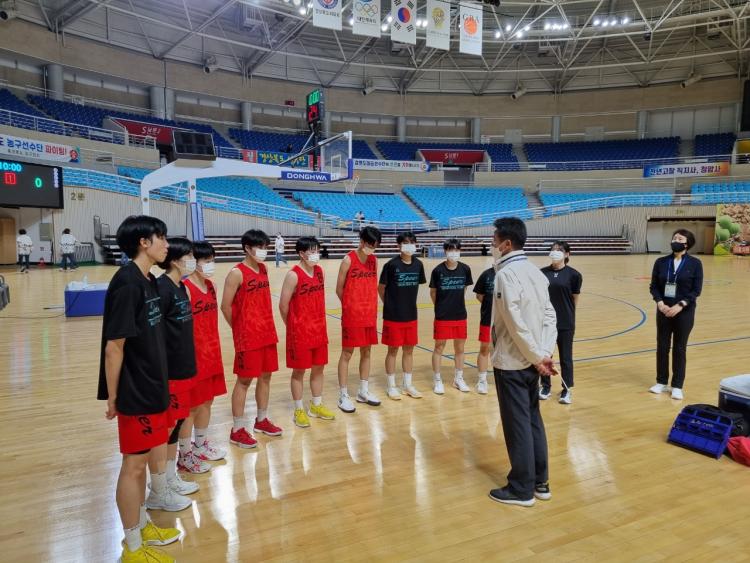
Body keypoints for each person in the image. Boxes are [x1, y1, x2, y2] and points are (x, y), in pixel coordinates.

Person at [97, 215, 181, 563]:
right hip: (136, 390)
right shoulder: (127, 283)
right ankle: (132, 548)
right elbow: (114, 347)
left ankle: (142, 524)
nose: (167, 245)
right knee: (133, 466)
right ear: (144, 242)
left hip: (153, 384)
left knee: (144, 459)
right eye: (161, 238)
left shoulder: (148, 280)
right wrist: (114, 397)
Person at [489, 217, 558, 507]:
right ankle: (540, 482)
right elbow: (550, 316)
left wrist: (537, 357)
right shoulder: (536, 272)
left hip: (512, 362)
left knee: (517, 424)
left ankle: (521, 489)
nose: (492, 244)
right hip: (534, 359)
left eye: (494, 240)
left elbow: (514, 323)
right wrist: (543, 353)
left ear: (506, 244)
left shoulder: (506, 275)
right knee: (532, 420)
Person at [221, 230, 283, 449]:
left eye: (266, 247)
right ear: (247, 248)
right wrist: (240, 329)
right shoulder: (236, 273)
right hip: (248, 337)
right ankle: (237, 429)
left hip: (267, 333)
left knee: (266, 377)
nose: (264, 251)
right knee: (244, 381)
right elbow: (225, 306)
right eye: (259, 247)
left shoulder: (263, 268)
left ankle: (261, 420)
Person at [148, 237, 198, 509]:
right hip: (170, 371)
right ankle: (158, 489)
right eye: (189, 256)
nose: (193, 260)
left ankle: (169, 477)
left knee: (177, 424)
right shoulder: (162, 288)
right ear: (176, 260)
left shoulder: (181, 287)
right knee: (165, 429)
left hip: (184, 366)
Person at [278, 236, 336, 427]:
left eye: (317, 250)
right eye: (312, 251)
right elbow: (283, 305)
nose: (316, 254)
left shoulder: (320, 271)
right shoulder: (293, 275)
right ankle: (299, 410)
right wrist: (292, 326)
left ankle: (316, 405)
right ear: (301, 254)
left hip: (319, 330)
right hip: (300, 333)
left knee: (319, 368)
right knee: (299, 371)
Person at [182, 241, 228, 466]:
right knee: (191, 406)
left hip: (212, 352)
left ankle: (200, 445)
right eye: (206, 261)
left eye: (212, 260)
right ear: (194, 262)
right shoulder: (185, 288)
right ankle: (184, 453)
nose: (211, 265)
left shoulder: (212, 286)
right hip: (193, 355)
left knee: (207, 401)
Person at [649, 229, 703, 401]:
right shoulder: (661, 262)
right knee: (662, 347)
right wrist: (660, 303)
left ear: (687, 244)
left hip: (684, 312)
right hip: (663, 310)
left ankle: (677, 385)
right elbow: (654, 286)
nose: (675, 241)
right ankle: (661, 381)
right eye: (674, 238)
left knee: (679, 348)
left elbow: (696, 290)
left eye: (679, 239)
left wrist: (680, 305)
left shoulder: (695, 264)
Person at [336, 226, 382, 413]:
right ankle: (343, 395)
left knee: (367, 351)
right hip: (352, 316)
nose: (372, 248)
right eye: (370, 244)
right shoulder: (348, 259)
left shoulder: (374, 260)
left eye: (375, 245)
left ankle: (363, 391)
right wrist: (350, 307)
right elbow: (339, 288)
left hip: (369, 315)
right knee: (347, 353)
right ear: (361, 241)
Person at [379, 231, 426, 400]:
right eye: (406, 242)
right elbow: (381, 288)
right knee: (392, 350)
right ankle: (391, 386)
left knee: (409, 350)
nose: (409, 245)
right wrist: (390, 304)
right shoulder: (391, 265)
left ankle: (407, 385)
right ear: (398, 245)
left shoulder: (418, 265)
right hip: (393, 316)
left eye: (412, 242)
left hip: (411, 315)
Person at [539, 241, 583, 405]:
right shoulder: (542, 273)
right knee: (545, 355)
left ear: (567, 254)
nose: (555, 252)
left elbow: (574, 299)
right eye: (553, 249)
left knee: (566, 358)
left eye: (559, 250)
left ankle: (566, 389)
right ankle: (545, 386)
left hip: (565, 322)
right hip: (545, 322)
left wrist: (569, 316)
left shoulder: (574, 275)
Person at [429, 239, 474, 395]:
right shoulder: (437, 270)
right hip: (442, 316)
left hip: (460, 315)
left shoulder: (465, 269)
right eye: (450, 249)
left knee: (460, 348)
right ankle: (437, 380)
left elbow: (464, 288)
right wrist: (441, 307)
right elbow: (433, 292)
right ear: (445, 251)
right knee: (439, 347)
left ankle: (458, 379)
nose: (453, 252)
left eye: (456, 249)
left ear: (460, 251)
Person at [473, 265, 495, 395]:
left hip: (505, 321)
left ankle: (503, 378)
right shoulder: (486, 274)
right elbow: (479, 295)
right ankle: (482, 380)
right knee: (484, 348)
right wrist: (490, 306)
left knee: (504, 350)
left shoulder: (511, 273)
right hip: (487, 319)